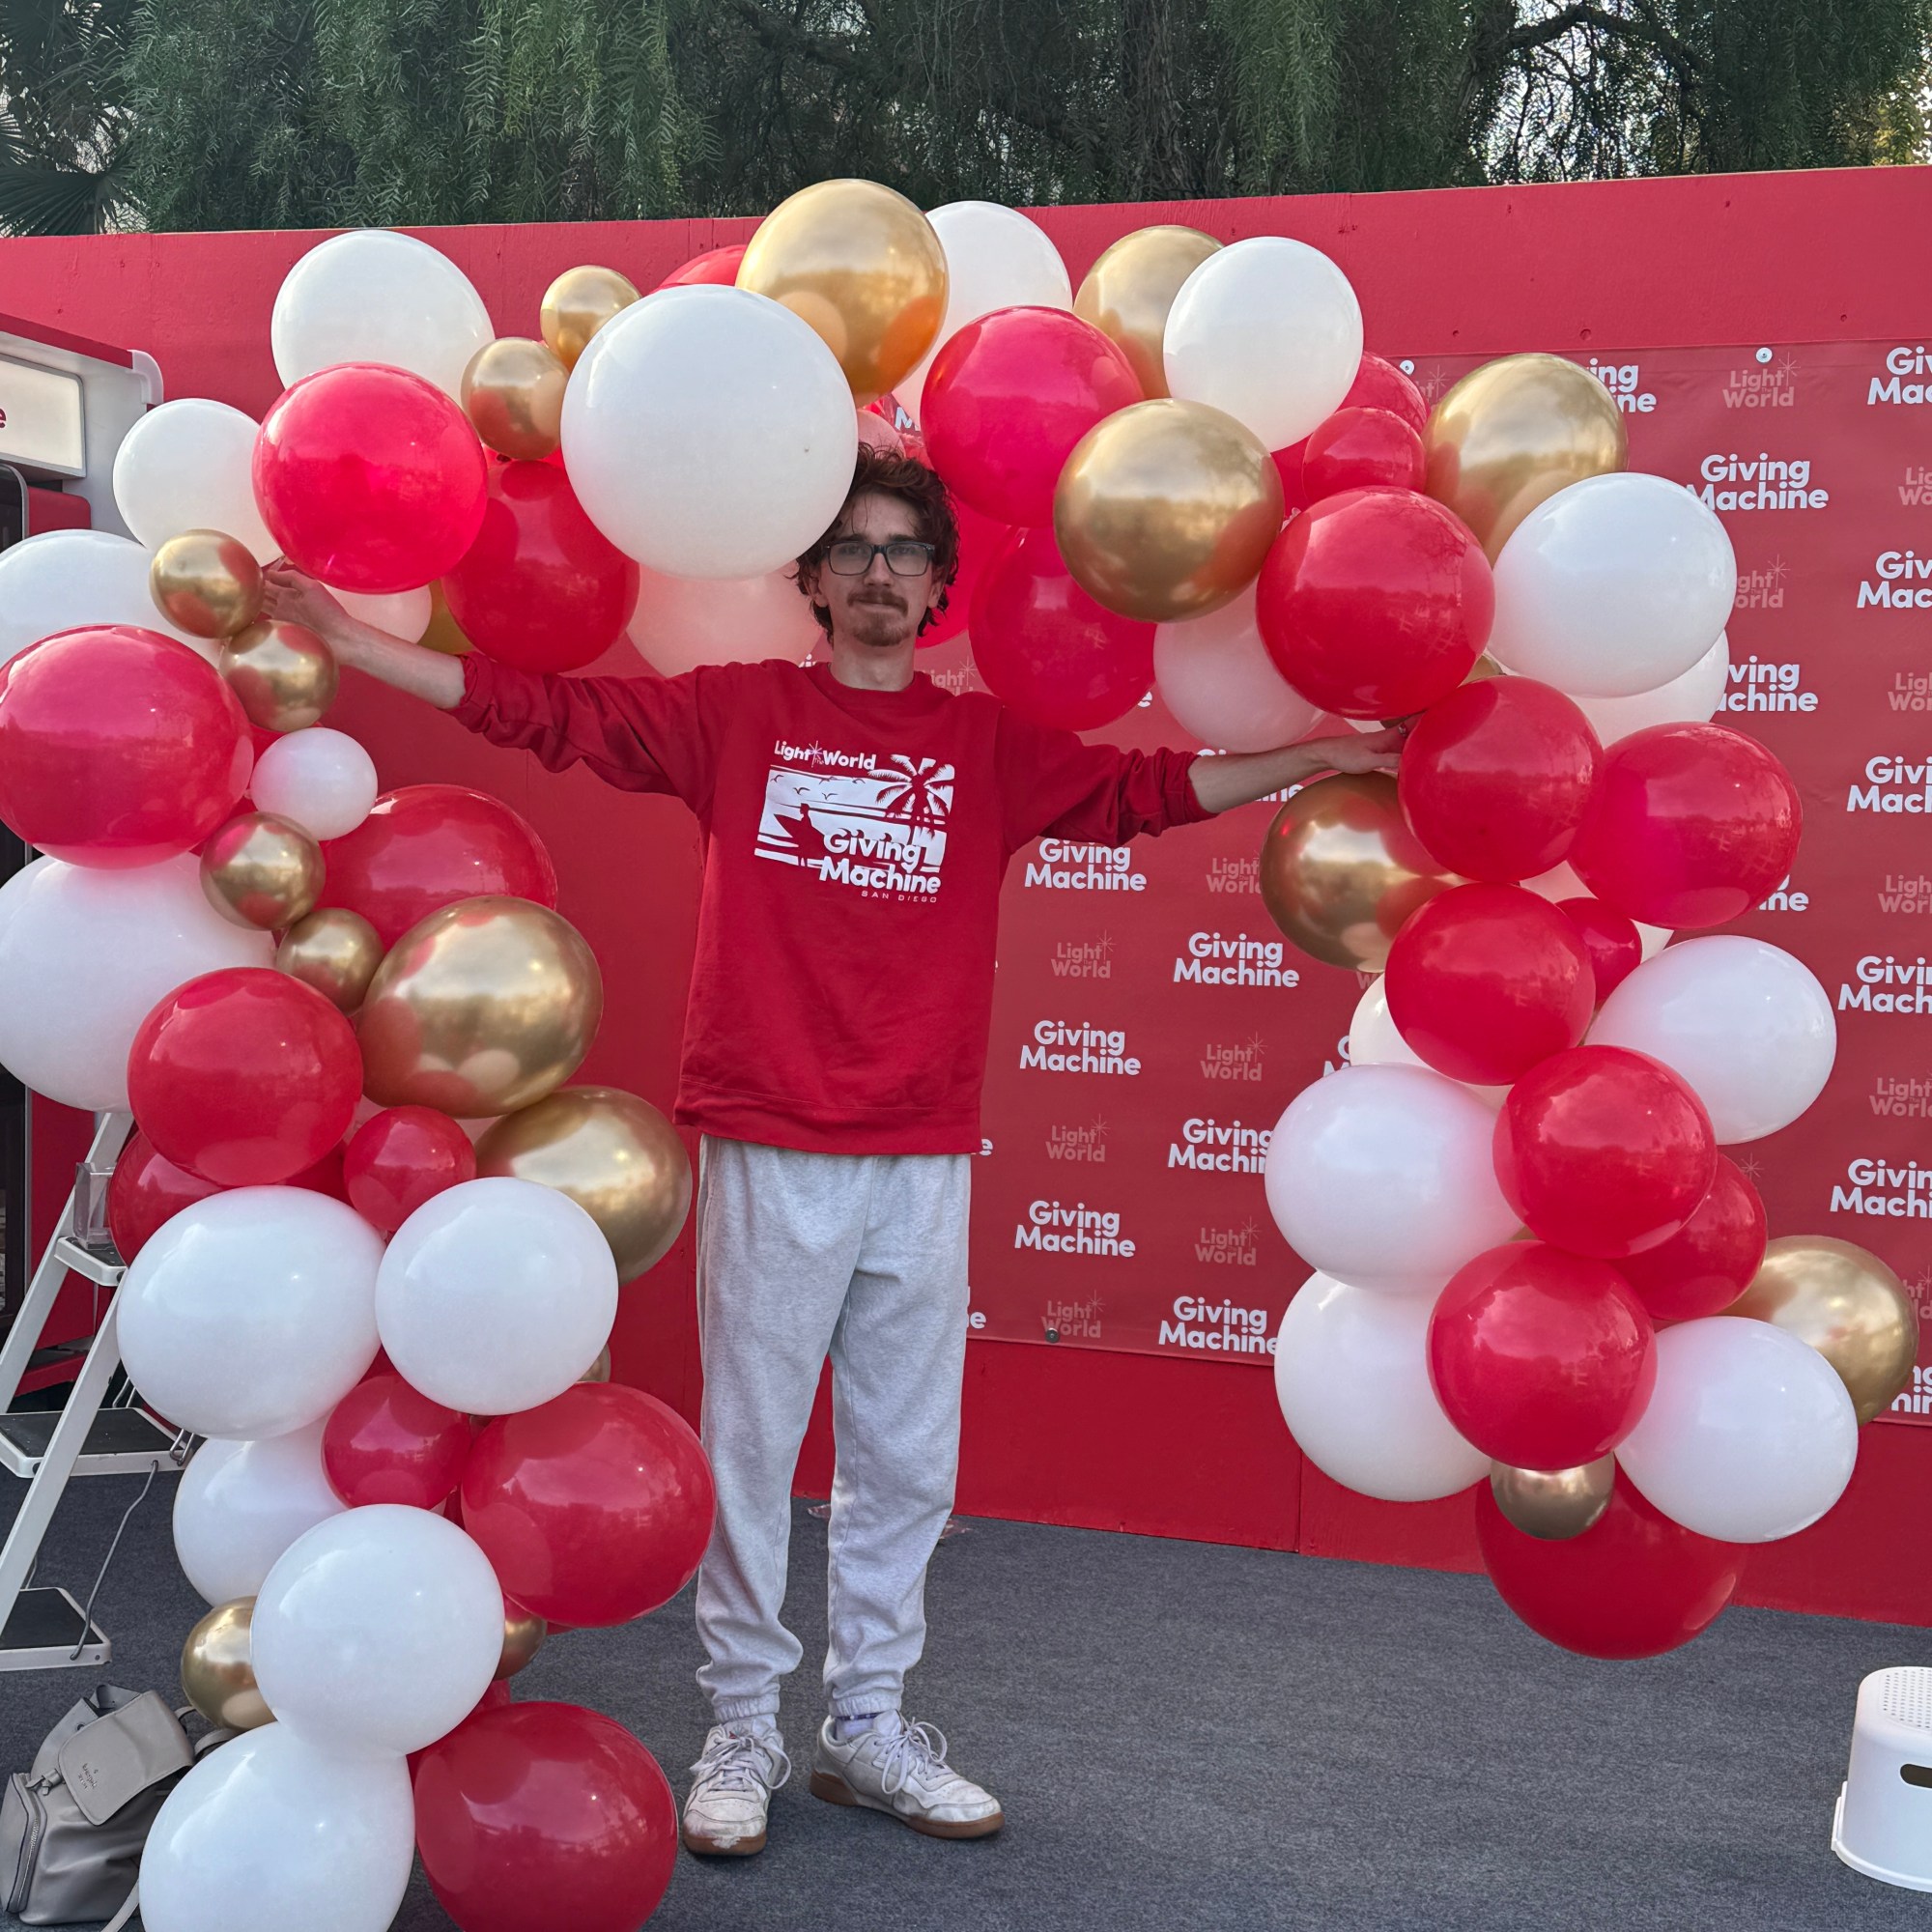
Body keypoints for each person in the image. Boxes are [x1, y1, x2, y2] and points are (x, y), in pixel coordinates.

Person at [264, 445, 1402, 1860]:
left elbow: (1152, 793)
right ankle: (741, 1722)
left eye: (901, 553)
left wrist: (1323, 757)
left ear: (937, 586)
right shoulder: (738, 718)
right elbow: (534, 710)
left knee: (908, 1463)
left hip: (924, 1146)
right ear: (810, 580)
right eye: (852, 551)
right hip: (774, 1135)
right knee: (752, 1449)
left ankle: (867, 1723)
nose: (877, 573)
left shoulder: (987, 747)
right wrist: (349, 640)